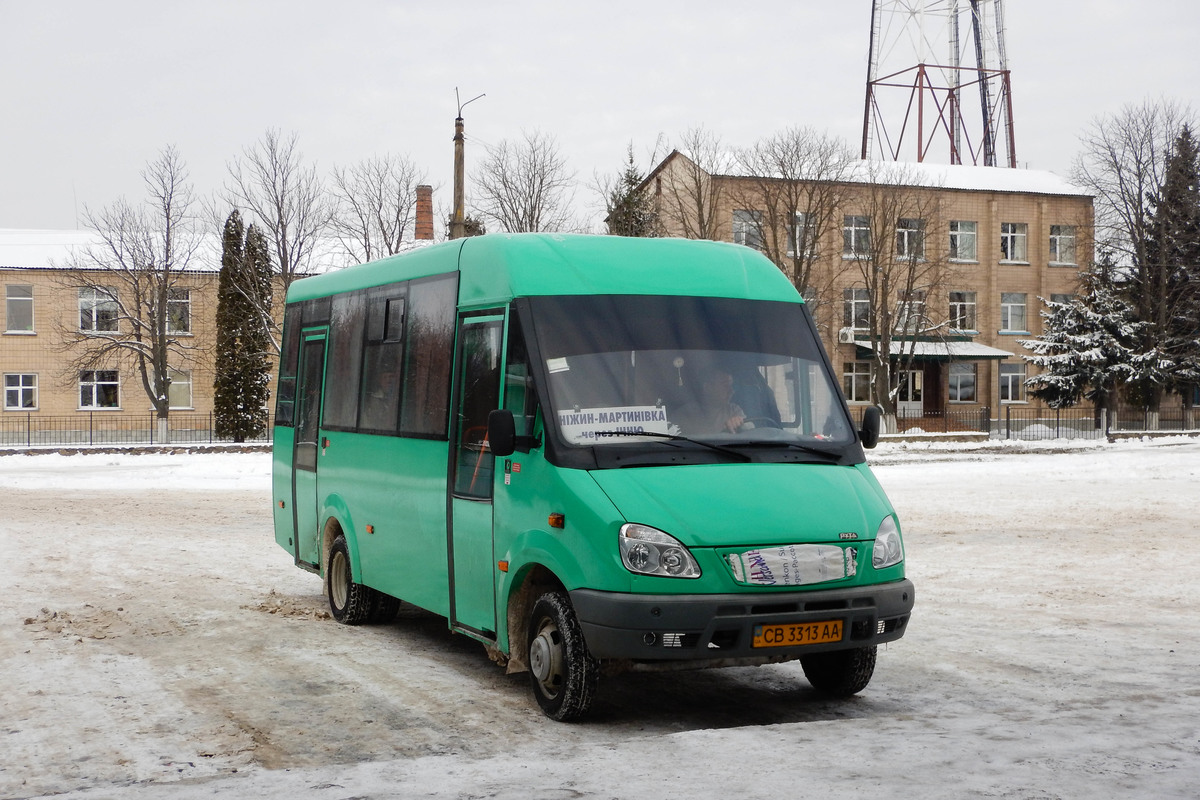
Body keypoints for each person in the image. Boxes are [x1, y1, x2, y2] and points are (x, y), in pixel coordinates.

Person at [674, 369, 749, 435]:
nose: (731, 390)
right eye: (725, 385)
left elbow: (749, 430)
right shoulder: (685, 414)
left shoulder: (733, 411)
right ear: (708, 388)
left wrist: (739, 423)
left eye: (731, 385)